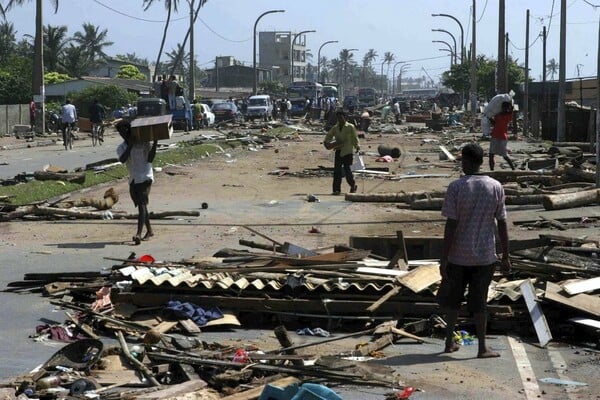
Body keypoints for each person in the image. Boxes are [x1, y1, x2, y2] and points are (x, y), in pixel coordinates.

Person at [437, 143, 511, 358]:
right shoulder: (495, 186)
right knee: (480, 303)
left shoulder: (456, 187)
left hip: (459, 256)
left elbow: (451, 225)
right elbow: (502, 222)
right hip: (485, 256)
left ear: (468, 162)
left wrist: (444, 257)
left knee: (453, 302)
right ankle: (482, 348)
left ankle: (449, 341)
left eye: (463, 160)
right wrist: (506, 255)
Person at [116, 120, 158, 245]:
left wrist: (155, 142)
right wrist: (130, 145)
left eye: (124, 131)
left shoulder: (143, 143)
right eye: (120, 132)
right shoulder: (121, 147)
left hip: (145, 176)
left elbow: (150, 158)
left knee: (142, 206)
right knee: (142, 204)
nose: (123, 134)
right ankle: (149, 231)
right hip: (133, 178)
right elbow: (123, 159)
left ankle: (138, 234)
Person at [323, 109, 360, 195]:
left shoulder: (350, 127)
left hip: (348, 151)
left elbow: (355, 138)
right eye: (338, 118)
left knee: (348, 171)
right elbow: (329, 136)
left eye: (341, 117)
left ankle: (352, 185)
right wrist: (326, 142)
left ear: (345, 117)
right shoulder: (335, 128)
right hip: (338, 151)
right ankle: (336, 189)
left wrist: (357, 146)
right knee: (337, 171)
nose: (340, 119)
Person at [489, 101, 516, 171]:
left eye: (505, 108)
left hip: (502, 137)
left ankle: (513, 169)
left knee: (505, 156)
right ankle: (492, 170)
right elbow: (495, 123)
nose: (504, 109)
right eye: (503, 107)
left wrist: (511, 105)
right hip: (495, 135)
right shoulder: (497, 115)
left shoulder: (508, 115)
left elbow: (512, 110)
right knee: (491, 154)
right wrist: (490, 119)